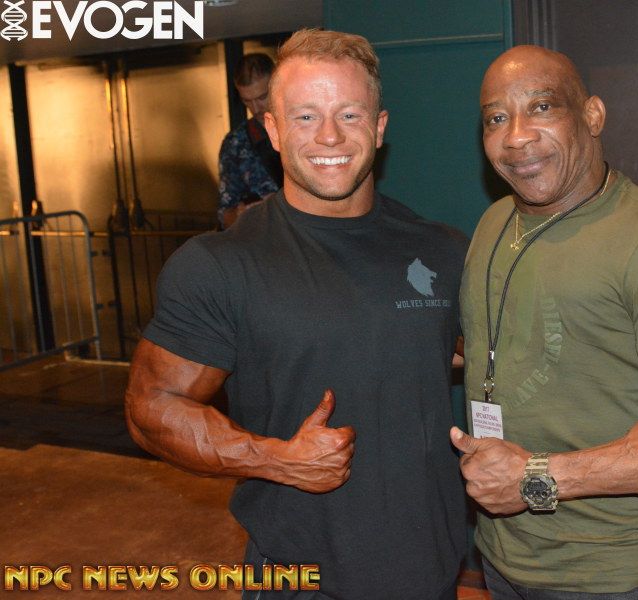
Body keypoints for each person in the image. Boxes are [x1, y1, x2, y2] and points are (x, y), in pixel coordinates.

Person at [126, 29, 467, 599]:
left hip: (431, 573)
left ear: (379, 127)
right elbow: (150, 408)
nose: (329, 135)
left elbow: (477, 359)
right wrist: (275, 459)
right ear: (273, 130)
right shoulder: (221, 264)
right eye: (306, 116)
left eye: (350, 114)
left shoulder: (443, 250)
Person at [450, 45, 638, 600]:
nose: (516, 136)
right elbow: (511, 343)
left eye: (542, 107)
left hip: (615, 571)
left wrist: (536, 477)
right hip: (503, 553)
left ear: (592, 115)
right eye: (496, 118)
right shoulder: (495, 222)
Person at [217, 53, 282, 228]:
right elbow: (225, 215)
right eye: (247, 101)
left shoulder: (304, 126)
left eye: (262, 97)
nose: (255, 108)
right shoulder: (235, 144)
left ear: (277, 84)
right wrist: (243, 214)